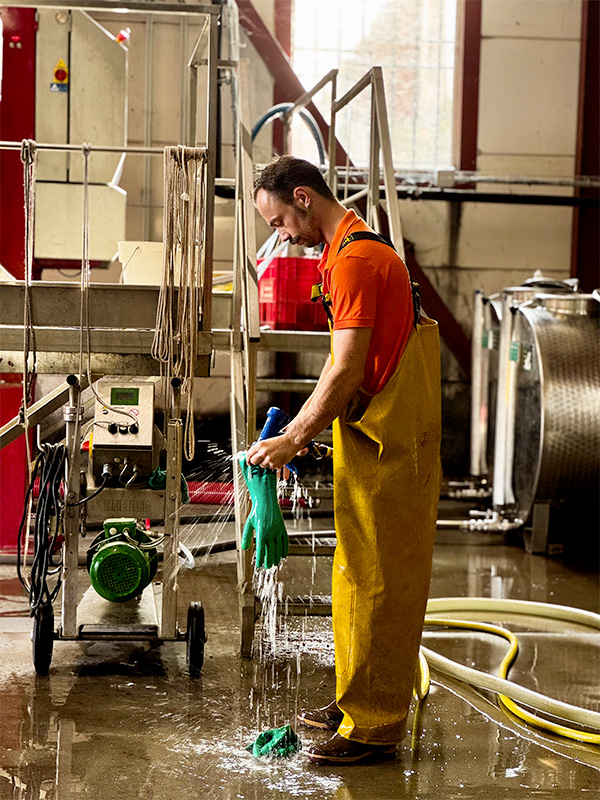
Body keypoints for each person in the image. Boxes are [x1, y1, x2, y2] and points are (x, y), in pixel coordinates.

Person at [247, 155, 441, 765]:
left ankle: (375, 727)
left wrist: (294, 438)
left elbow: (345, 368)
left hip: (395, 441)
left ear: (303, 198)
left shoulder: (358, 259)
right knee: (354, 574)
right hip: (370, 433)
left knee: (384, 581)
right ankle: (355, 696)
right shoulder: (340, 257)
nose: (282, 236)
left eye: (280, 221)